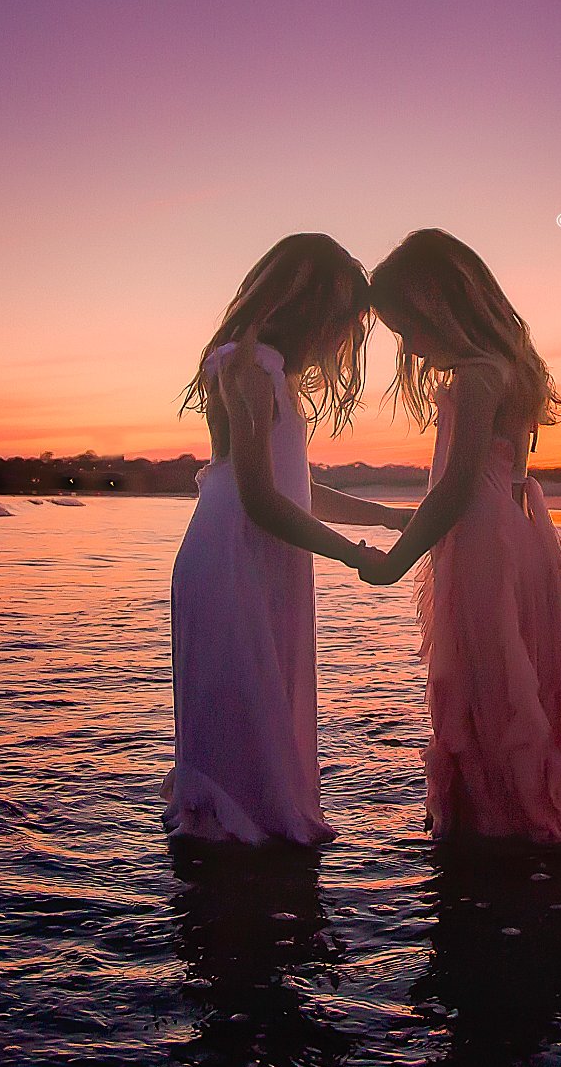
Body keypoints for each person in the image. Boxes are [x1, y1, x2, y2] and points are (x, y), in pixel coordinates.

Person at [358, 229, 561, 846]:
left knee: (486, 680)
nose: (410, 347)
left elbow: (455, 489)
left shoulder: (474, 376)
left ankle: (504, 824)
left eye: (409, 329)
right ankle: (528, 818)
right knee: (519, 672)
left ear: (440, 309)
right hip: (511, 539)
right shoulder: (508, 370)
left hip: (482, 548)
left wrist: (396, 560)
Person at [168, 234, 398, 844]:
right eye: (341, 320)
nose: (342, 338)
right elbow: (264, 500)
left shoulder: (264, 368)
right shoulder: (251, 365)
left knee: (257, 701)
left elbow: (297, 489)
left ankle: (243, 864)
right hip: (238, 551)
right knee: (239, 705)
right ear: (310, 308)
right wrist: (353, 555)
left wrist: (385, 520)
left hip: (255, 551)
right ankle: (242, 872)